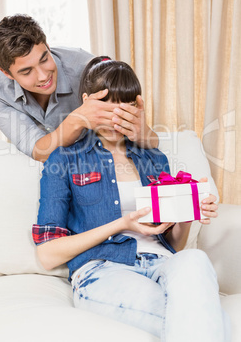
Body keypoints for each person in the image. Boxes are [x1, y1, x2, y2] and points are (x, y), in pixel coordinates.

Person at [32, 57, 230, 342]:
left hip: (163, 262)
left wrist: (189, 209)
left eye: (124, 108)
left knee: (195, 260)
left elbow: (173, 242)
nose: (115, 118)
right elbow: (48, 255)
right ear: (86, 102)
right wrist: (122, 223)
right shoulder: (64, 159)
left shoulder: (154, 158)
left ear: (136, 108)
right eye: (105, 107)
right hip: (102, 269)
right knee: (195, 312)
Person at [0, 14, 158, 162]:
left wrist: (140, 131)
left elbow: (144, 138)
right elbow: (38, 150)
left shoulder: (86, 67)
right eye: (26, 72)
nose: (43, 76)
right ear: (7, 73)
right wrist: (78, 119)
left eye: (44, 59)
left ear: (48, 47)